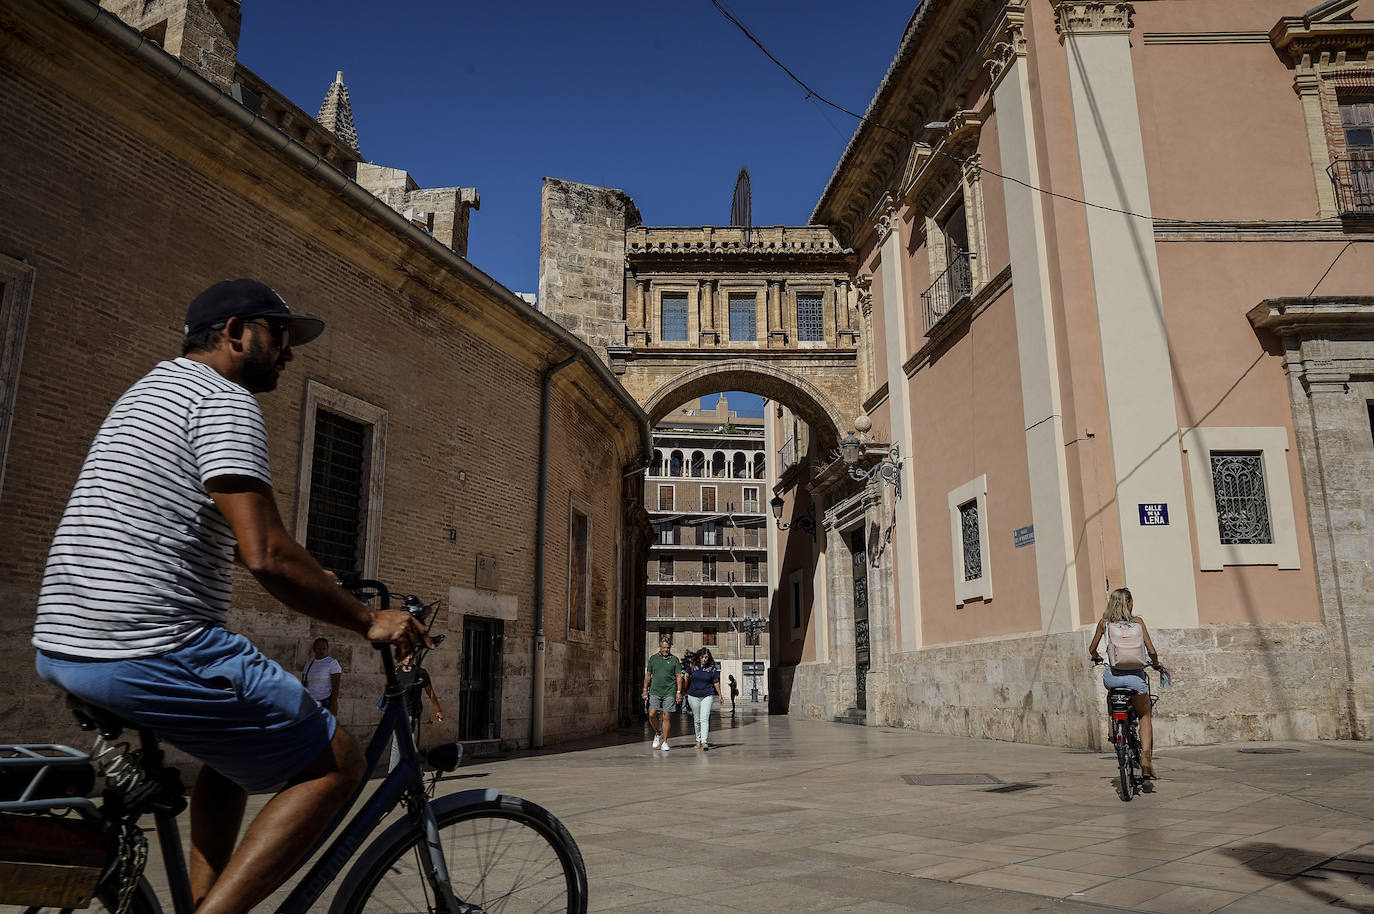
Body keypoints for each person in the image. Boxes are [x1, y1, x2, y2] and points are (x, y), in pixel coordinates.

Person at [31, 279, 430, 914]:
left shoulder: (150, 390)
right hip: (148, 645)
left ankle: (199, 899)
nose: (289, 354)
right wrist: (366, 620)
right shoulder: (224, 402)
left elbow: (224, 536)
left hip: (64, 643)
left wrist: (315, 578)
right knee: (337, 763)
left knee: (238, 758)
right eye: (280, 337)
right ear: (237, 332)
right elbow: (265, 552)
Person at [1088, 587, 1162, 778]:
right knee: (1144, 715)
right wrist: (1155, 664)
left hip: (1112, 677)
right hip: (1135, 679)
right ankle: (1146, 763)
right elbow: (1152, 651)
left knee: (1111, 696)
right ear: (1128, 603)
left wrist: (1096, 656)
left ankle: (1114, 729)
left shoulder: (1104, 623)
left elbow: (1092, 648)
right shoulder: (1138, 623)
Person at [388, 652, 445, 772]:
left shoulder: (421, 673)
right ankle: (416, 770)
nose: (409, 658)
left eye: (411, 656)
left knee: (397, 742)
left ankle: (391, 773)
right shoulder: (397, 671)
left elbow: (431, 693)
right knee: (406, 744)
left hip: (411, 713)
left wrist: (438, 710)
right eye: (406, 656)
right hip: (397, 712)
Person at [642, 637, 682, 751]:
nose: (666, 650)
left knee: (666, 715)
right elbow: (648, 675)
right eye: (664, 647)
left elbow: (679, 677)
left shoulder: (675, 660)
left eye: (668, 648)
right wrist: (645, 689)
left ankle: (665, 741)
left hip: (669, 691)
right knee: (652, 714)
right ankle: (657, 733)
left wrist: (678, 692)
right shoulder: (653, 659)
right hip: (655, 690)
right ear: (660, 647)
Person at [686, 648, 722, 750]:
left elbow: (716, 682)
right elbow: (686, 676)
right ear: (699, 657)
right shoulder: (692, 666)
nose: (704, 659)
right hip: (693, 695)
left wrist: (720, 695)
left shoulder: (712, 669)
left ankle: (704, 742)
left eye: (706, 657)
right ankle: (698, 740)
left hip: (707, 695)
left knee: (704, 719)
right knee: (697, 720)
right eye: (702, 657)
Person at [302, 637, 342, 716]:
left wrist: (333, 705)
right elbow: (304, 683)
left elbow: (336, 686)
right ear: (314, 649)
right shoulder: (309, 664)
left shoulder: (332, 663)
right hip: (311, 702)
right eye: (319, 648)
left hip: (325, 702)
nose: (321, 650)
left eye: (324, 648)